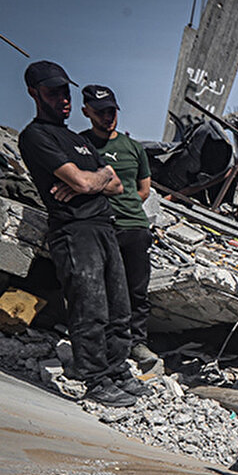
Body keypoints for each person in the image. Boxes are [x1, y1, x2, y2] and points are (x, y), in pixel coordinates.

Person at [17, 61, 146, 407]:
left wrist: (93, 180)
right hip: (74, 231)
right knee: (90, 307)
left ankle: (117, 370)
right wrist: (91, 180)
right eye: (52, 92)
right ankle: (95, 379)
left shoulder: (79, 141)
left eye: (65, 91)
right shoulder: (36, 136)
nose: (63, 99)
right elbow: (84, 181)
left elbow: (116, 185)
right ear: (34, 93)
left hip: (104, 226)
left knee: (119, 308)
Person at [78, 84, 158, 371]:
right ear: (86, 112)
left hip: (133, 227)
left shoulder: (133, 148)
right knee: (98, 287)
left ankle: (137, 342)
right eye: (100, 112)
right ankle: (99, 341)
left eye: (111, 111)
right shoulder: (80, 144)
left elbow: (144, 190)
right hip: (98, 226)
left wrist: (125, 206)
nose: (107, 117)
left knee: (137, 289)